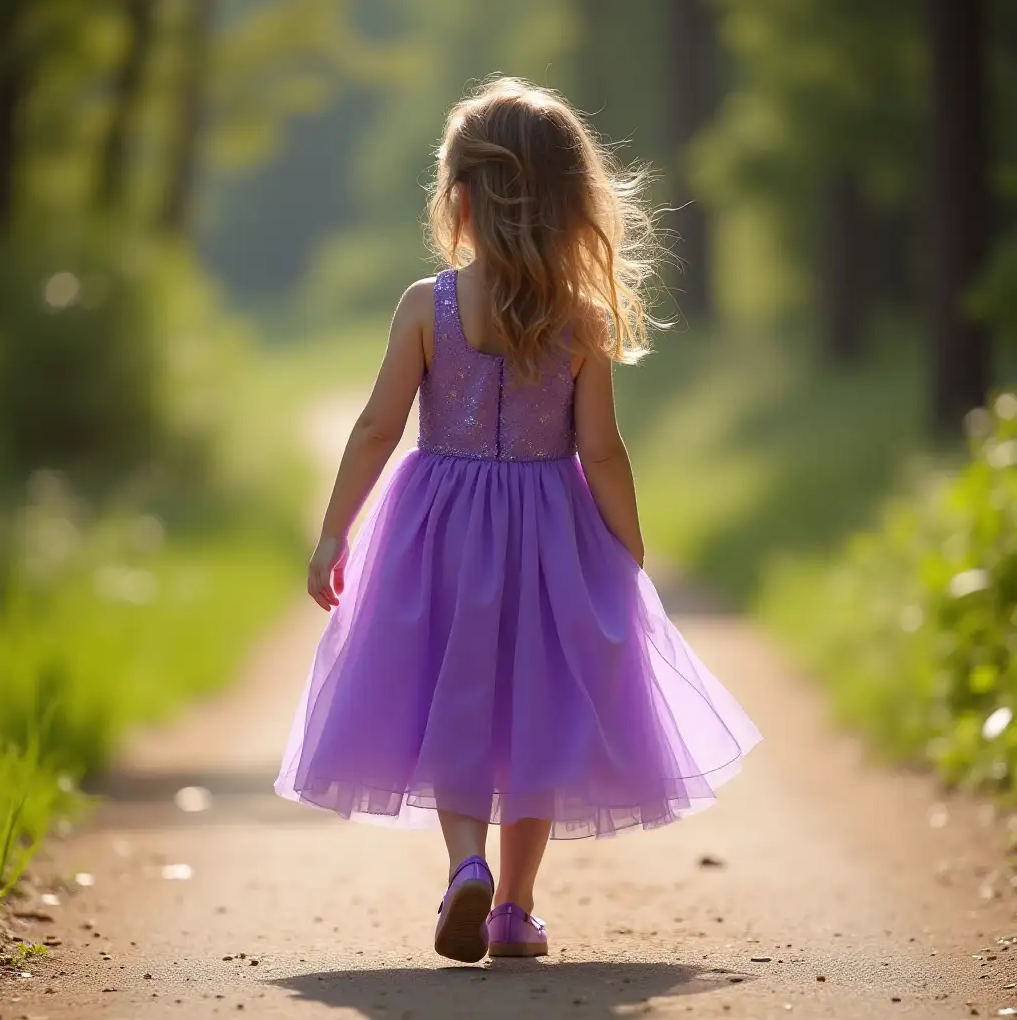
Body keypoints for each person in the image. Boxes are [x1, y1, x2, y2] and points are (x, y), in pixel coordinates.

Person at [275, 76, 761, 964]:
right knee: (534, 711)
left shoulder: (430, 306)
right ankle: (518, 907)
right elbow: (603, 451)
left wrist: (335, 531)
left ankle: (466, 865)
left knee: (455, 700)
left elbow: (378, 426)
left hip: (438, 534)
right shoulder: (582, 320)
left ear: (459, 198)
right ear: (573, 203)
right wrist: (627, 549)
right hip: (547, 535)